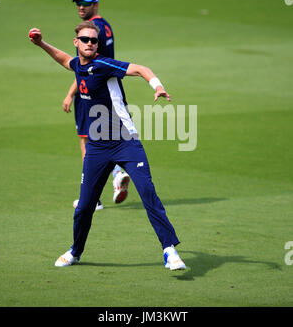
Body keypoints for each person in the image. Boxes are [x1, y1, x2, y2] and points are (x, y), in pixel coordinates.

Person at [28, 21, 186, 271]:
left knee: (148, 193)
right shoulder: (78, 66)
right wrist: (41, 44)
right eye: (85, 39)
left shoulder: (103, 64)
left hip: (126, 142)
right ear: (76, 42)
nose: (90, 43)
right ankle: (75, 251)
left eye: (94, 40)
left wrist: (157, 86)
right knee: (84, 206)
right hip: (97, 148)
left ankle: (170, 251)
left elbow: (141, 69)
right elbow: (64, 60)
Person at [62, 0, 130, 210]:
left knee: (88, 145)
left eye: (85, 3)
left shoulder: (91, 31)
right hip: (107, 90)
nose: (81, 6)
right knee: (103, 140)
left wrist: (71, 93)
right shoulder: (105, 26)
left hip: (91, 91)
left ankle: (93, 198)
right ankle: (117, 174)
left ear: (96, 4)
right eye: (78, 3)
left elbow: (86, 67)